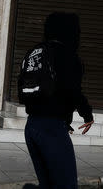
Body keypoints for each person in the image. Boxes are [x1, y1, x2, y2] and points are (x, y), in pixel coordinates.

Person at [18, 12, 94, 189]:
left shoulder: (34, 52)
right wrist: (87, 113)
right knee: (66, 185)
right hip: (51, 128)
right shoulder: (67, 55)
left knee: (48, 184)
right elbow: (73, 90)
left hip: (32, 127)